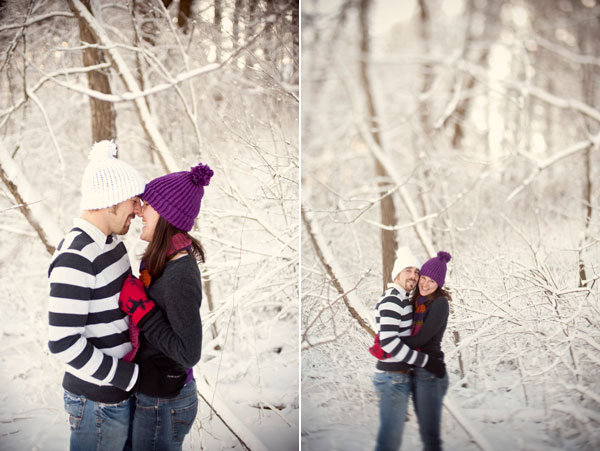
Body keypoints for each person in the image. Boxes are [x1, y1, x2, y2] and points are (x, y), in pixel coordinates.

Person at [47, 140, 146, 450]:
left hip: (121, 395)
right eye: (132, 200)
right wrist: (126, 376)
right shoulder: (75, 256)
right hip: (97, 404)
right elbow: (63, 342)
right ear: (110, 202)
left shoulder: (113, 245)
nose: (137, 209)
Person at [117, 162, 213, 450]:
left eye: (147, 205)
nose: (139, 211)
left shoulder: (179, 273)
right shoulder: (162, 262)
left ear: (166, 214)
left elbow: (188, 352)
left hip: (166, 401)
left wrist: (143, 314)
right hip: (155, 392)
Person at [371, 247, 446, 451]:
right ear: (396, 273)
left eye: (415, 271)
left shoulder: (403, 298)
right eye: (408, 271)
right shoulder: (393, 300)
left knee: (392, 440)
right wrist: (425, 361)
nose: (413, 276)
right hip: (392, 376)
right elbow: (388, 342)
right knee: (390, 441)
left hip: (399, 375)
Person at [403, 251, 452, 451]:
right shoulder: (417, 302)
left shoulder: (439, 304)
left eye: (431, 280)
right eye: (423, 277)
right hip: (418, 369)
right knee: (426, 435)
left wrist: (389, 341)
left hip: (430, 372)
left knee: (430, 438)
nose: (425, 283)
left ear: (439, 283)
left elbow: (421, 339)